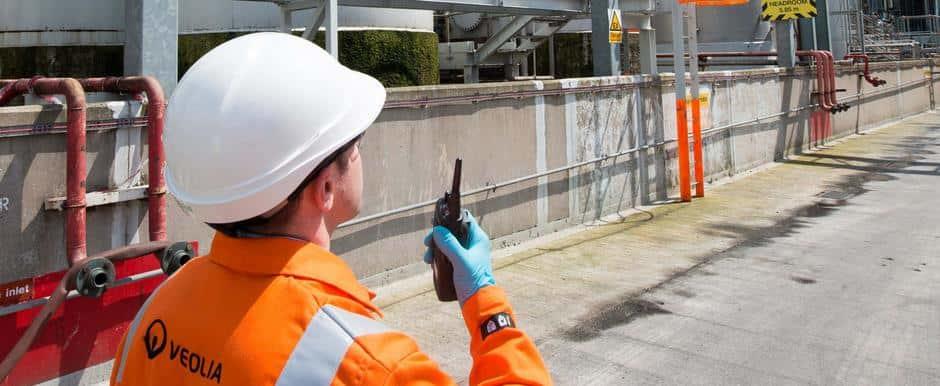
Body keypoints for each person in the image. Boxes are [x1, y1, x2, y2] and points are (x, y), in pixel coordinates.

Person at [110, 32, 551, 385]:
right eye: (355, 147)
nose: (360, 156)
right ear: (324, 188)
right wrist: (487, 305)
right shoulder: (367, 364)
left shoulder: (155, 315)